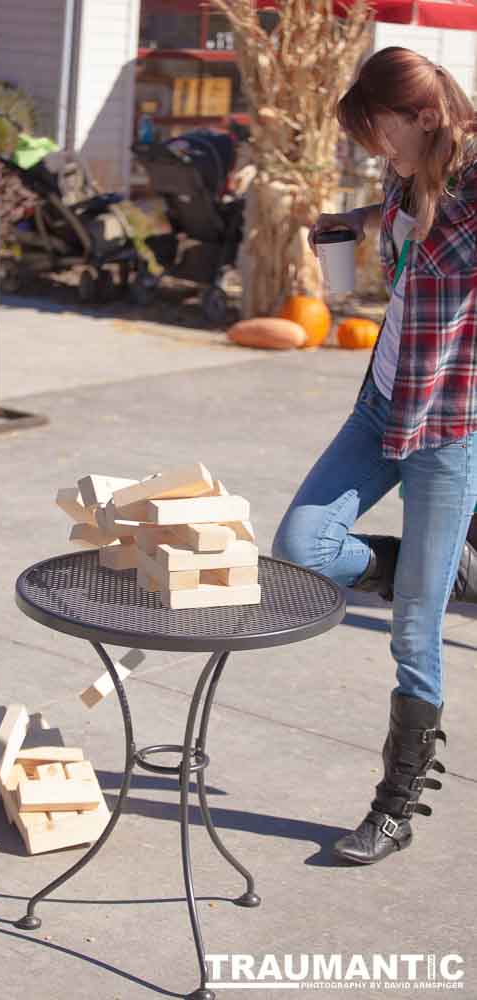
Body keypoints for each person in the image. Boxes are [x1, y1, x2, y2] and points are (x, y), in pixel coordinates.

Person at [271, 46, 477, 865]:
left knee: (413, 628)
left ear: (424, 117)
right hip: (378, 405)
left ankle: (392, 808)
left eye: (379, 132)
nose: (372, 149)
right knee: (301, 549)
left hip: (449, 424)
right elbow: (393, 213)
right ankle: (459, 570)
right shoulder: (406, 178)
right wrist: (354, 224)